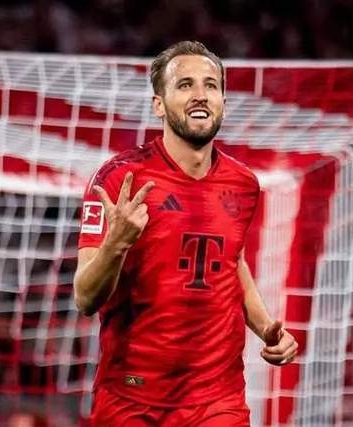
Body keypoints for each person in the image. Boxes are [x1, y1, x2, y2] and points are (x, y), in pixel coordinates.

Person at [74, 40, 298, 426]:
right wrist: (117, 244)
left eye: (211, 85)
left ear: (223, 101)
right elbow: (84, 298)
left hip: (218, 398)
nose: (200, 95)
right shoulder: (118, 180)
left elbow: (232, 261)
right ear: (158, 104)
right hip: (132, 394)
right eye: (184, 85)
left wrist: (265, 327)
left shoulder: (244, 184)